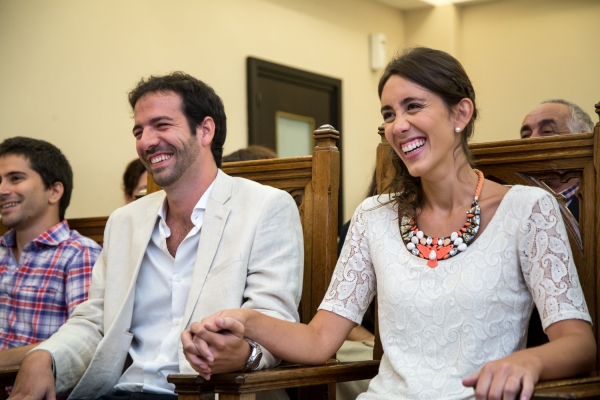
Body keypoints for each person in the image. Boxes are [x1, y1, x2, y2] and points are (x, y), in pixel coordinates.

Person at [184, 48, 596, 400]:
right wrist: (244, 320)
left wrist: (528, 360)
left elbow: (578, 343)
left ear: (461, 112)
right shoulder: (373, 217)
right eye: (388, 113)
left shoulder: (528, 210)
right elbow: (318, 341)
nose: (397, 126)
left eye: (413, 106)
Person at [8, 72, 303, 400]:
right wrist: (45, 357)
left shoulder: (266, 206)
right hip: (119, 392)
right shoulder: (124, 221)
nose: (146, 142)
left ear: (205, 130)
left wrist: (245, 354)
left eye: (161, 125)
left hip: (208, 392)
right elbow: (95, 320)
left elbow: (275, 321)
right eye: (139, 130)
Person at [0, 137, 101, 367]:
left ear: (54, 191)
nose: (2, 190)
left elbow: (85, 343)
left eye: (15, 178)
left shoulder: (79, 254)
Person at [520, 99, 595, 222]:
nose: (531, 140)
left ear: (582, 141)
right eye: (526, 135)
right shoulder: (511, 200)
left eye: (547, 131)